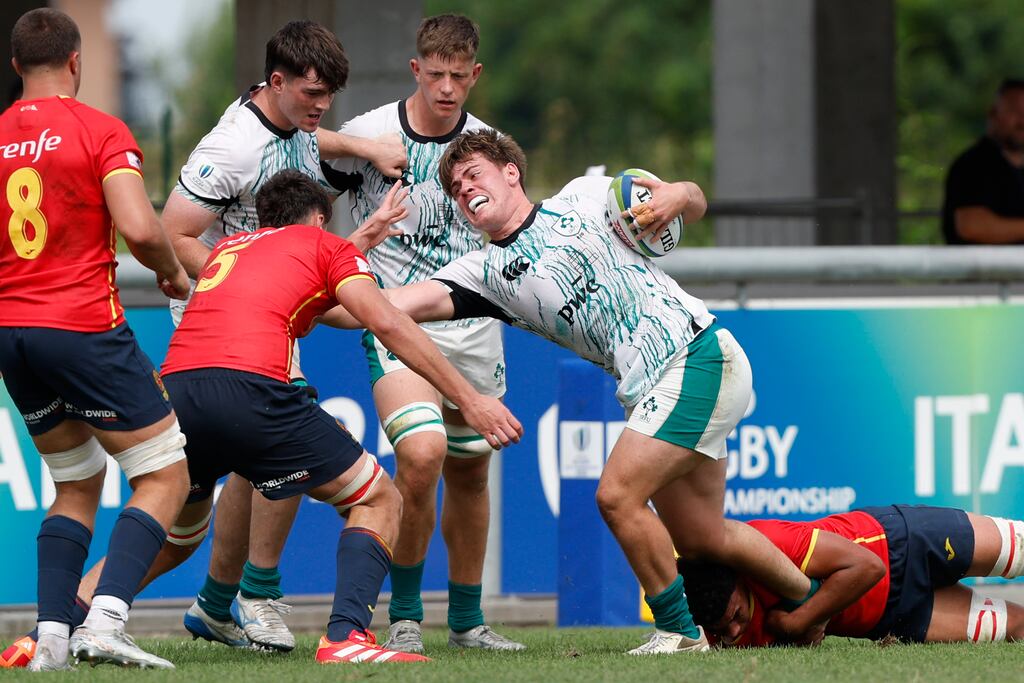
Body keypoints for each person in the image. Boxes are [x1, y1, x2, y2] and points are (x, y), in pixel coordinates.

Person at [323, 129, 819, 655]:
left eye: (474, 175)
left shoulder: (586, 195)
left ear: (511, 172)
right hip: (652, 385)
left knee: (616, 496)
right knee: (703, 538)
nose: (465, 190)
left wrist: (679, 193)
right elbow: (377, 307)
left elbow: (691, 200)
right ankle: (813, 604)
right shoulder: (482, 274)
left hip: (696, 355)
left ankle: (680, 631)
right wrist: (324, 283)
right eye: (456, 189)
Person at [167, 169, 520, 664]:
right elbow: (376, 315)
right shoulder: (307, 205)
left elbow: (312, 273)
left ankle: (82, 615)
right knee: (378, 492)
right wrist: (470, 396)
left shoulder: (239, 247)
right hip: (257, 383)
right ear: (318, 219)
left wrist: (366, 232)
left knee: (168, 527)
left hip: (182, 379)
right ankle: (331, 625)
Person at [130, 20, 403, 654]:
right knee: (278, 445)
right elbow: (174, 233)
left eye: (329, 94)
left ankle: (209, 603)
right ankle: (253, 597)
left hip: (269, 315)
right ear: (275, 83)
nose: (321, 107)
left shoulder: (296, 120)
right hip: (226, 321)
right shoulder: (233, 147)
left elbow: (315, 133)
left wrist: (361, 150)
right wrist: (245, 280)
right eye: (312, 93)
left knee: (247, 471)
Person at [321, 15, 519, 653]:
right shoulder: (369, 134)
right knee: (422, 453)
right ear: (415, 69)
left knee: (469, 473)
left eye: (459, 77)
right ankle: (404, 614)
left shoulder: (490, 147)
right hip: (393, 320)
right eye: (435, 75)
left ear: (475, 75)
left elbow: (516, 230)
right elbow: (299, 152)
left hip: (472, 324)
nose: (446, 88)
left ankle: (466, 621)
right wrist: (358, 154)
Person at [0, 8, 191, 670]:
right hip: (81, 325)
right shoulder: (99, 129)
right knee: (165, 471)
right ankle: (105, 619)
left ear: (17, 65)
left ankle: (52, 635)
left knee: (76, 480)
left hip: (12, 334)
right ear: (76, 62)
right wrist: (171, 271)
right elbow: (140, 228)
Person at [677, 505, 1024, 647]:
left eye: (735, 616)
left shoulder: (768, 544)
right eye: (720, 630)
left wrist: (800, 622)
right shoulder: (719, 632)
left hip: (902, 542)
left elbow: (866, 567)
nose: (733, 632)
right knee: (1015, 628)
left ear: (741, 578)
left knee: (1019, 552)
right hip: (895, 616)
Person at [942, 79, 1024, 244]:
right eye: (1014, 111)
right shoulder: (972, 165)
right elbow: (971, 226)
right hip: (982, 269)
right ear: (993, 114)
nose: (1022, 120)